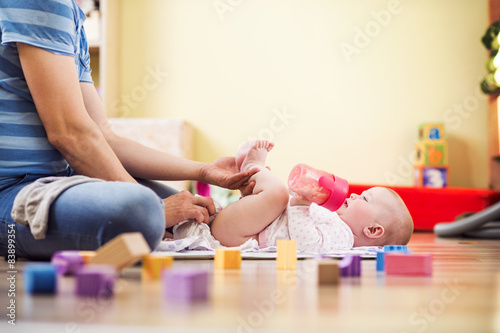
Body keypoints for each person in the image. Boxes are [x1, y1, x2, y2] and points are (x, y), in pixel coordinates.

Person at [0, 0, 256, 260]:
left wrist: (203, 170)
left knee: (202, 216)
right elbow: (69, 134)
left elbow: (103, 137)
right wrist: (157, 208)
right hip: (12, 190)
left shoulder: (72, 18)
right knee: (142, 211)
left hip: (61, 180)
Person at [209, 140, 414, 252]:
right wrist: (300, 197)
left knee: (276, 194)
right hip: (246, 226)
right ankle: (251, 174)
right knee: (277, 196)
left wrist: (299, 204)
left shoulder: (343, 237)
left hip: (242, 236)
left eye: (364, 198)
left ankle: (252, 167)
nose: (354, 196)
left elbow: (308, 245)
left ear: (372, 230)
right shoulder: (334, 219)